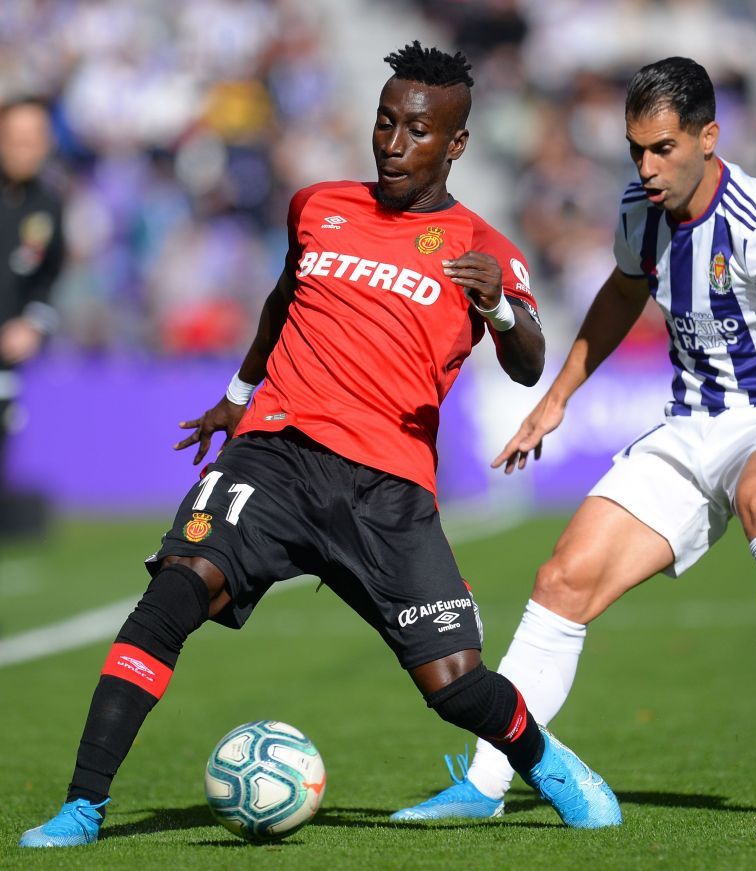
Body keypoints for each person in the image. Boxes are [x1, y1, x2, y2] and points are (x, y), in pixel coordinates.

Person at [19, 43, 622, 848]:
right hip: (273, 453)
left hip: (385, 486)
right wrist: (237, 399)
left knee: (453, 685)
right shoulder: (318, 206)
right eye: (384, 122)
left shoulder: (484, 246)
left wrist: (502, 312)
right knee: (173, 592)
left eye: (416, 129)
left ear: (456, 144)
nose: (393, 143)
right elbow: (281, 299)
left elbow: (530, 362)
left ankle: (546, 761)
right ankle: (83, 804)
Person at [391, 56, 756, 822]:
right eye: (636, 148)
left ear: (709, 137)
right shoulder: (642, 208)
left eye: (663, 148)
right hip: (685, 427)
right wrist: (557, 398)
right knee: (561, 580)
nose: (646, 166)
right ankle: (484, 783)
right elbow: (620, 292)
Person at [0, 98, 63, 531]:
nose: (26, 149)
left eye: (34, 140)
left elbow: (47, 275)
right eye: (16, 139)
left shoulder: (46, 204)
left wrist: (32, 323)